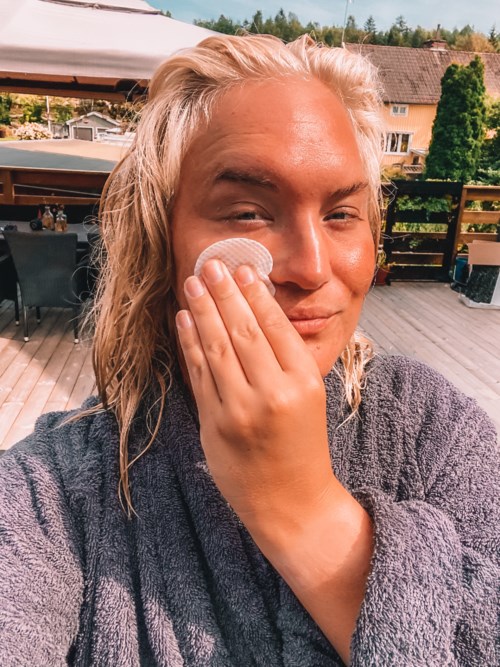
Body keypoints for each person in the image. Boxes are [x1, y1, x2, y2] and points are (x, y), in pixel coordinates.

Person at [0, 34, 498, 667]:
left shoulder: (434, 429)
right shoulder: (53, 493)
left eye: (341, 214)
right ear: (157, 239)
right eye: (246, 213)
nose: (312, 268)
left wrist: (304, 511)